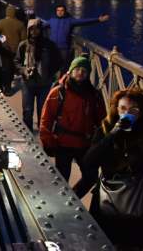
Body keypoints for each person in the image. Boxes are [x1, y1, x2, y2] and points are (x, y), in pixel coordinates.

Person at [84, 89, 143, 249]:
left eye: (133, 110)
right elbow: (89, 161)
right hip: (107, 202)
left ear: (141, 112)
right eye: (122, 108)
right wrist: (113, 134)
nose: (126, 113)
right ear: (116, 109)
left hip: (139, 202)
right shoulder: (105, 129)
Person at [38, 56, 105, 198]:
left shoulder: (94, 95)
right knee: (61, 181)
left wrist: (100, 144)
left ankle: (72, 198)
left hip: (84, 144)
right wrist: (47, 141)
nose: (80, 73)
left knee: (91, 176)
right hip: (63, 143)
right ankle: (61, 204)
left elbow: (102, 121)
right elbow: (46, 119)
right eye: (77, 69)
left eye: (84, 70)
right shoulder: (58, 92)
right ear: (71, 71)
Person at [15, 19, 62, 130]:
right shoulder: (23, 45)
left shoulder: (50, 45)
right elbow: (16, 61)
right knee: (27, 110)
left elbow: (59, 61)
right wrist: (24, 70)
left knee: (43, 111)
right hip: (27, 83)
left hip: (44, 84)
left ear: (41, 30)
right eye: (31, 29)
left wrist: (50, 74)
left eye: (37, 29)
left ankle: (43, 135)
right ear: (28, 30)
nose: (34, 31)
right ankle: (28, 133)